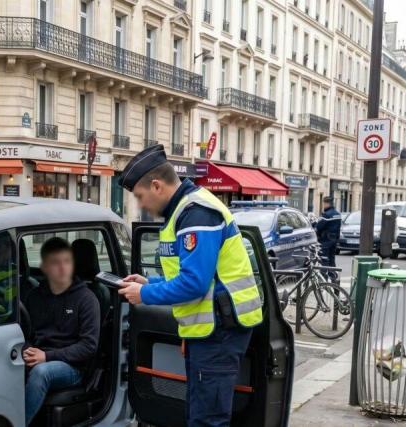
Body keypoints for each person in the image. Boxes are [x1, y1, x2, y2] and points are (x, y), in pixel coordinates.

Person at [116, 144, 263, 427]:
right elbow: (193, 276)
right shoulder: (185, 211)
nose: (141, 205)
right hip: (210, 331)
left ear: (156, 185)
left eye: (140, 196)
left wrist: (144, 293)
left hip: (219, 332)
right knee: (200, 413)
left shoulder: (196, 213)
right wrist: (150, 282)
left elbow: (194, 284)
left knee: (207, 420)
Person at [23, 237, 100, 425]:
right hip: (38, 354)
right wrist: (27, 350)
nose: (63, 268)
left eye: (67, 262)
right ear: (45, 268)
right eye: (55, 263)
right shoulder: (34, 297)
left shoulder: (87, 299)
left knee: (42, 372)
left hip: (71, 366)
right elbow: (25, 332)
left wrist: (47, 357)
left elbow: (89, 346)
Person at [315, 196, 341, 273]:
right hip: (334, 239)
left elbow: (319, 227)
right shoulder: (338, 214)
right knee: (332, 259)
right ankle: (333, 278)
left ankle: (324, 278)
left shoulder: (326, 215)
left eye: (324, 203)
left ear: (327, 203)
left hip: (326, 240)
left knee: (324, 259)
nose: (323, 205)